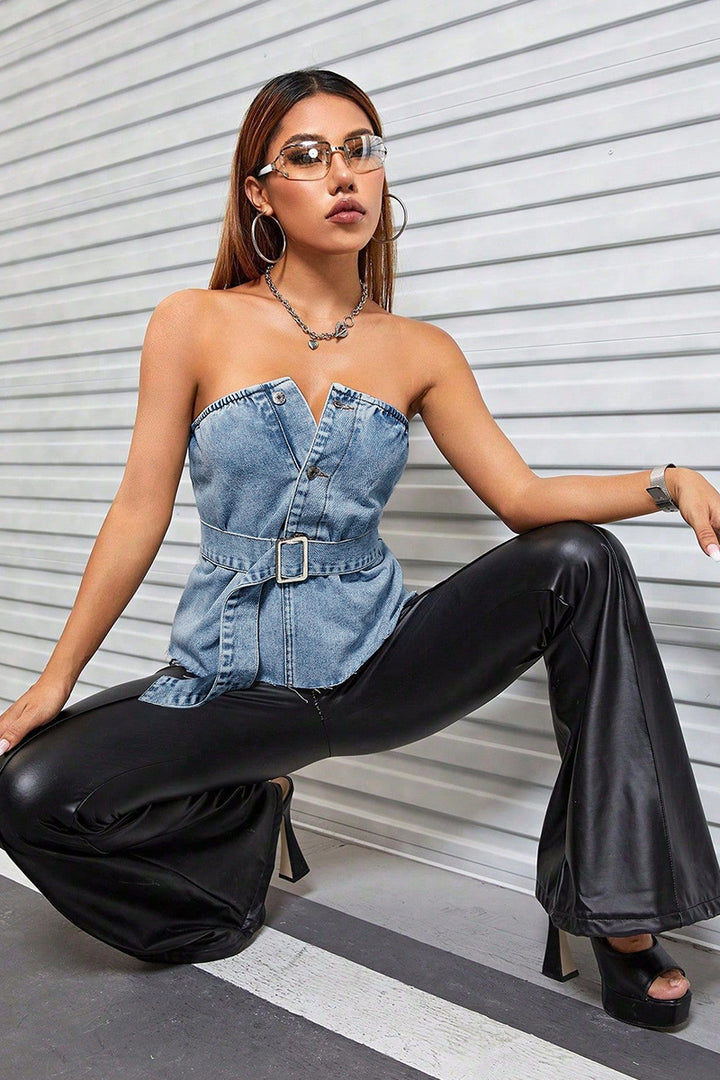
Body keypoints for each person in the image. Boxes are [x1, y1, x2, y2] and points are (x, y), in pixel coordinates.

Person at [1, 67, 719, 1033]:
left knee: (579, 559)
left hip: (382, 663)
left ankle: (620, 918)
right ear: (260, 193)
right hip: (235, 683)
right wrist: (53, 681)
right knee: (30, 795)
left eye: (359, 151)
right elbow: (138, 511)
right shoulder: (193, 322)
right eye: (306, 156)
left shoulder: (420, 349)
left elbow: (524, 501)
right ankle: (241, 833)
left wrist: (665, 482)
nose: (342, 174)